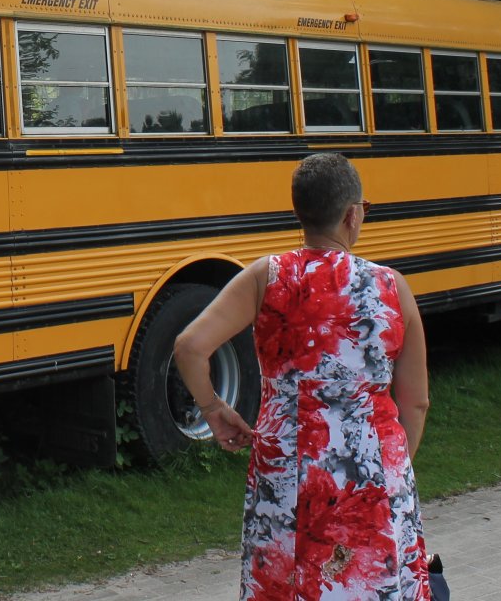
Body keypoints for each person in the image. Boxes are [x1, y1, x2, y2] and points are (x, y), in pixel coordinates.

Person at [174, 152, 433, 600]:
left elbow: (189, 347)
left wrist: (213, 409)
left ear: (300, 212)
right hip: (373, 474)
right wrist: (390, 468)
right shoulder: (392, 286)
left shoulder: (266, 277)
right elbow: (416, 401)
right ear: (352, 215)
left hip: (286, 469)